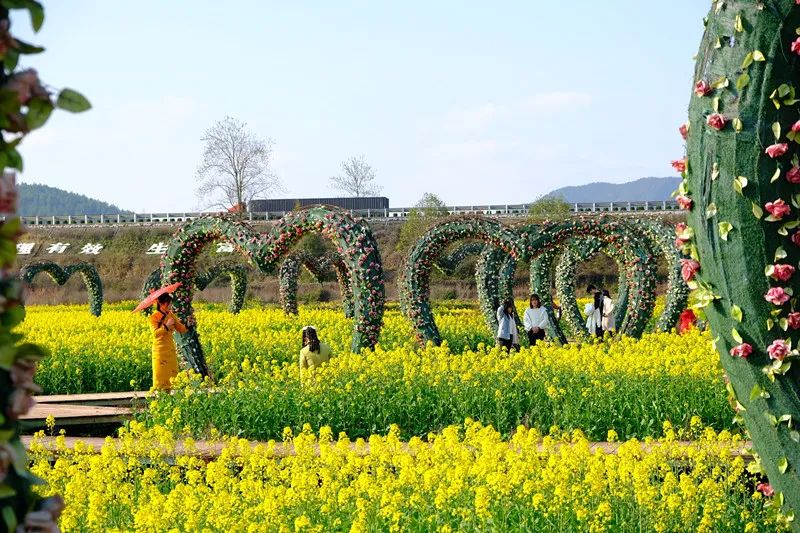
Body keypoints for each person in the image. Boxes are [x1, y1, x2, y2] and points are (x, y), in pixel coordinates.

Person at [150, 293, 188, 390]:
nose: (170, 306)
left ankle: (169, 394)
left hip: (170, 349)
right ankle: (160, 394)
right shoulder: (154, 317)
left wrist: (188, 324)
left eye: (170, 303)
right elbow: (155, 334)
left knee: (172, 375)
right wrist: (166, 326)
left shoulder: (171, 315)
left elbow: (181, 329)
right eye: (168, 303)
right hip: (159, 351)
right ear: (161, 303)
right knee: (161, 375)